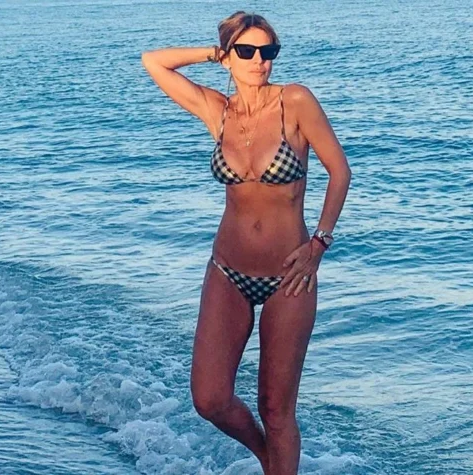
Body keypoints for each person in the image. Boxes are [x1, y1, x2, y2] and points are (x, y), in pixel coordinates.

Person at [141, 11, 351, 475]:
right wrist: (210, 53)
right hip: (227, 270)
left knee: (276, 408)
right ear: (229, 56)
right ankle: (267, 457)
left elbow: (340, 172)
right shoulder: (217, 111)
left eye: (268, 51)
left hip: (289, 277)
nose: (260, 61)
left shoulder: (295, 101)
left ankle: (278, 463)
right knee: (209, 399)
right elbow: (153, 61)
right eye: (247, 51)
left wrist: (319, 244)